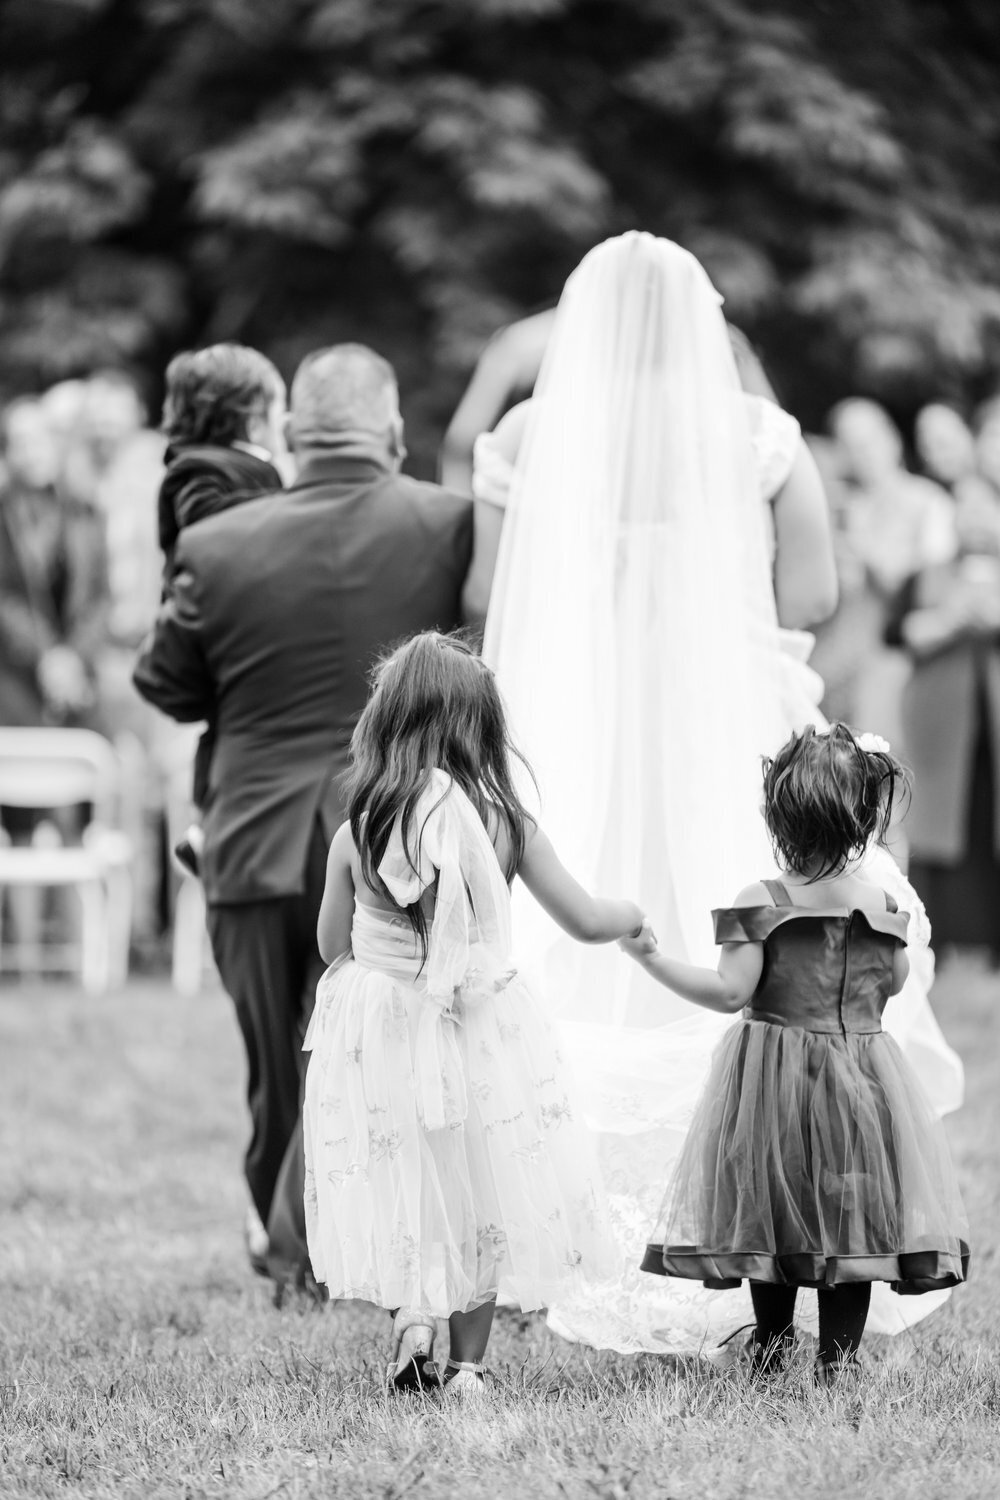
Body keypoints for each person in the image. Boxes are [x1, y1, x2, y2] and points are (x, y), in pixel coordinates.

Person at [471, 232, 963, 1355]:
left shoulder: (526, 438)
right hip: (722, 710)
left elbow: (488, 595)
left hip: (579, 717)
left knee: (576, 941)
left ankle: (553, 1222)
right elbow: (816, 587)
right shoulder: (756, 436)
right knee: (758, 889)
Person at [133, 344, 476, 1289]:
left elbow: (166, 682)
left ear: (290, 437)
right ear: (397, 432)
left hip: (249, 835)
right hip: (399, 840)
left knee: (277, 1071)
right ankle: (385, 1251)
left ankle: (295, 1263)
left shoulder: (213, 546)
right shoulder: (452, 527)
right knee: (410, 1055)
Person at [304, 632, 640, 1393]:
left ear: (387, 720)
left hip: (382, 1031)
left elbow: (331, 946)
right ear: (480, 727)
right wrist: (633, 916)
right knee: (479, 1191)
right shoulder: (506, 825)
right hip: (480, 1031)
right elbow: (586, 918)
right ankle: (467, 1370)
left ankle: (414, 1313)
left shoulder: (357, 829)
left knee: (404, 1173)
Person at [623, 725, 969, 1381]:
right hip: (861, 1080)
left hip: (771, 1082)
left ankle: (775, 1345)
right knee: (853, 1211)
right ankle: (838, 1360)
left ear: (776, 816)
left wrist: (653, 959)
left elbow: (730, 992)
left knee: (770, 1209)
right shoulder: (880, 904)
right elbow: (891, 984)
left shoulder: (765, 902)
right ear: (865, 818)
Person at [156, 343, 288, 870]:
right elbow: (213, 526)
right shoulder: (197, 474)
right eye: (279, 412)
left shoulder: (211, 466)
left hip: (225, 630)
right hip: (215, 630)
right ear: (254, 418)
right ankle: (210, 826)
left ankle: (208, 826)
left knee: (227, 728)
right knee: (228, 729)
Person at [891, 481, 1000, 955]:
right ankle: (945, 938)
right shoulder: (927, 576)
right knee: (941, 825)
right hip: (942, 732)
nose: (975, 520)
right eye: (966, 509)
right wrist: (953, 618)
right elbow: (898, 632)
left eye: (985, 509)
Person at [825, 398, 954, 746]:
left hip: (903, 666)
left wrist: (863, 546)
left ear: (893, 439)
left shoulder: (930, 502)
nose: (863, 454)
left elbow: (921, 591)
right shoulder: (846, 509)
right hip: (845, 663)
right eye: (850, 446)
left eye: (868, 442)